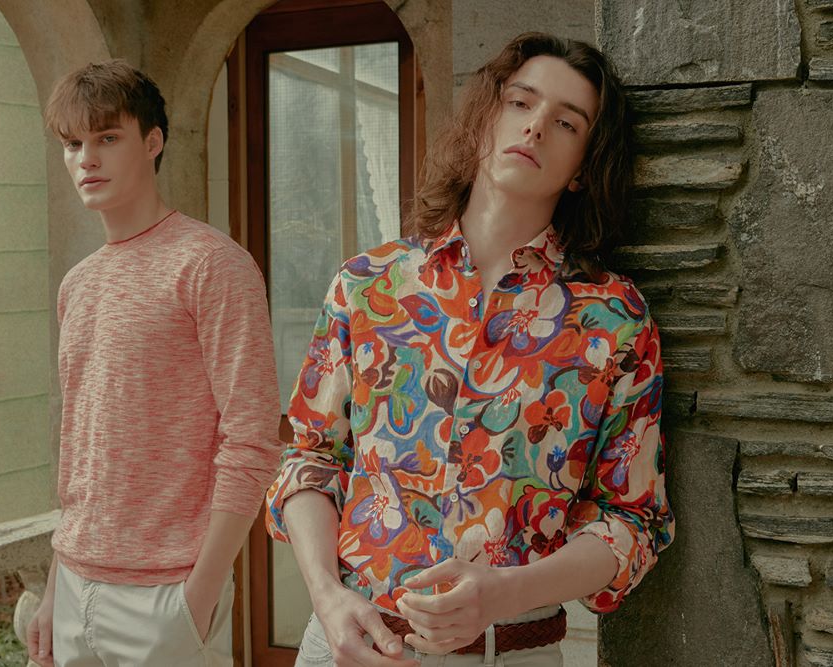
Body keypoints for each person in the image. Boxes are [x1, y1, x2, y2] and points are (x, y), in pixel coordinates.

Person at [265, 32, 674, 667]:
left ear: (583, 167)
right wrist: (324, 595)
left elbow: (633, 520)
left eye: (567, 122)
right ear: (485, 115)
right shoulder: (368, 285)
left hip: (509, 653)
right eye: (520, 102)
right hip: (349, 642)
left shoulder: (614, 321)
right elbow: (310, 458)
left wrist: (504, 592)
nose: (535, 127)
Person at [25, 60, 281, 667]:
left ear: (153, 141)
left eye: (108, 137)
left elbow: (252, 437)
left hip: (168, 594)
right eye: (73, 144)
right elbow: (82, 448)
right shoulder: (77, 284)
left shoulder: (211, 264)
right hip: (75, 587)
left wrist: (201, 591)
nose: (87, 159)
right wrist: (57, 586)